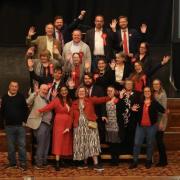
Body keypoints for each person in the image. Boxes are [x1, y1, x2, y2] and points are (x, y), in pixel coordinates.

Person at [70, 86, 110, 171]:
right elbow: (71, 116)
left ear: (86, 93)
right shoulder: (74, 103)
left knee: (93, 143)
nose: (81, 93)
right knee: (82, 144)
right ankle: (84, 163)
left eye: (83, 91)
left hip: (90, 125)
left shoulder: (90, 100)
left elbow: (101, 100)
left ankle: (96, 164)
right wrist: (68, 127)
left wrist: (110, 96)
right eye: (80, 91)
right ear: (77, 93)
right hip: (79, 127)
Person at [129, 87, 166, 169]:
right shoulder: (139, 102)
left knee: (150, 144)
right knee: (136, 144)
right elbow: (133, 111)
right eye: (145, 91)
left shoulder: (155, 103)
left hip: (151, 127)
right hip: (140, 127)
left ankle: (148, 161)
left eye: (148, 91)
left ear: (151, 92)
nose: (147, 92)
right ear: (143, 93)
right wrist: (132, 109)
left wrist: (162, 123)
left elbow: (164, 111)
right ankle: (135, 161)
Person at [38, 85, 73, 171]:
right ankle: (57, 162)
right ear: (59, 92)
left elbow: (72, 113)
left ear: (67, 91)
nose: (64, 92)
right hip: (59, 123)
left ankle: (61, 160)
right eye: (62, 90)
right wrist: (39, 110)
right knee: (58, 141)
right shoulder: (56, 100)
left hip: (67, 123)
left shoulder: (70, 100)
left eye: (65, 90)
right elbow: (48, 107)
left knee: (65, 142)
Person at [0, 81, 28, 170]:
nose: (14, 88)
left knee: (22, 146)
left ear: (18, 88)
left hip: (20, 126)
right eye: (12, 86)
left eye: (16, 86)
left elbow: (25, 109)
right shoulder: (4, 97)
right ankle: (12, 163)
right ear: (9, 87)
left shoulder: (21, 97)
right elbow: (2, 112)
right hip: (9, 126)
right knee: (10, 146)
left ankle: (23, 163)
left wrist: (24, 120)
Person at [26, 84, 53, 169]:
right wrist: (35, 93)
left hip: (48, 124)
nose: (45, 91)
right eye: (43, 89)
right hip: (40, 123)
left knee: (46, 144)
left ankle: (44, 161)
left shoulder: (47, 99)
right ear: (39, 89)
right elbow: (27, 102)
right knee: (41, 144)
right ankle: (38, 163)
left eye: (46, 90)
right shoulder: (35, 96)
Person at [117, 79, 141, 154]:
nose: (129, 85)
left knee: (131, 136)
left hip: (133, 118)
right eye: (127, 84)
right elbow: (119, 107)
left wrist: (134, 108)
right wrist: (120, 97)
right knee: (123, 136)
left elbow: (139, 105)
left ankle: (131, 152)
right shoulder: (121, 94)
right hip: (123, 119)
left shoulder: (137, 94)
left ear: (133, 85)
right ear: (124, 85)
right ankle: (123, 152)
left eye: (130, 84)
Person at [152, 79, 168, 166]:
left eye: (157, 84)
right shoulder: (154, 93)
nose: (156, 86)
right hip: (155, 119)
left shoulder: (163, 94)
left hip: (161, 120)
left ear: (160, 84)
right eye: (154, 84)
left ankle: (164, 161)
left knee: (159, 141)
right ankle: (162, 160)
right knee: (158, 141)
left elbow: (164, 110)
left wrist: (161, 123)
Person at [104, 86, 121, 165]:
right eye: (108, 91)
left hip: (116, 124)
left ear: (114, 92)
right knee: (111, 143)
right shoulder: (106, 100)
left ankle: (116, 160)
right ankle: (112, 159)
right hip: (108, 124)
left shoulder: (117, 100)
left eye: (111, 91)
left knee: (116, 143)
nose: (109, 92)